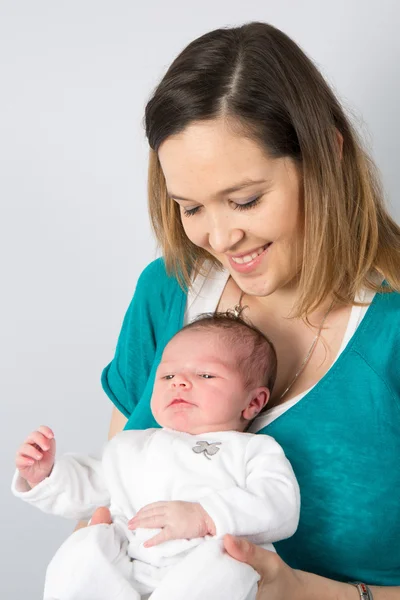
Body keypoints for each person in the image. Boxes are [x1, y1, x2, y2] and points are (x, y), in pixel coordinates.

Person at [36, 18, 400, 599]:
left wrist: (306, 593)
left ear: (325, 155)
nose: (220, 239)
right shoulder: (167, 291)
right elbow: (116, 497)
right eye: (190, 207)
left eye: (245, 200)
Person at [13, 314, 300, 600]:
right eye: (168, 376)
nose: (179, 383)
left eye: (205, 375)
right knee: (84, 548)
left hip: (204, 565)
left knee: (234, 567)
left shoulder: (254, 450)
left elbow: (279, 504)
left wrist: (206, 516)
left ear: (253, 402)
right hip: (131, 561)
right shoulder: (132, 445)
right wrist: (46, 475)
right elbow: (87, 485)